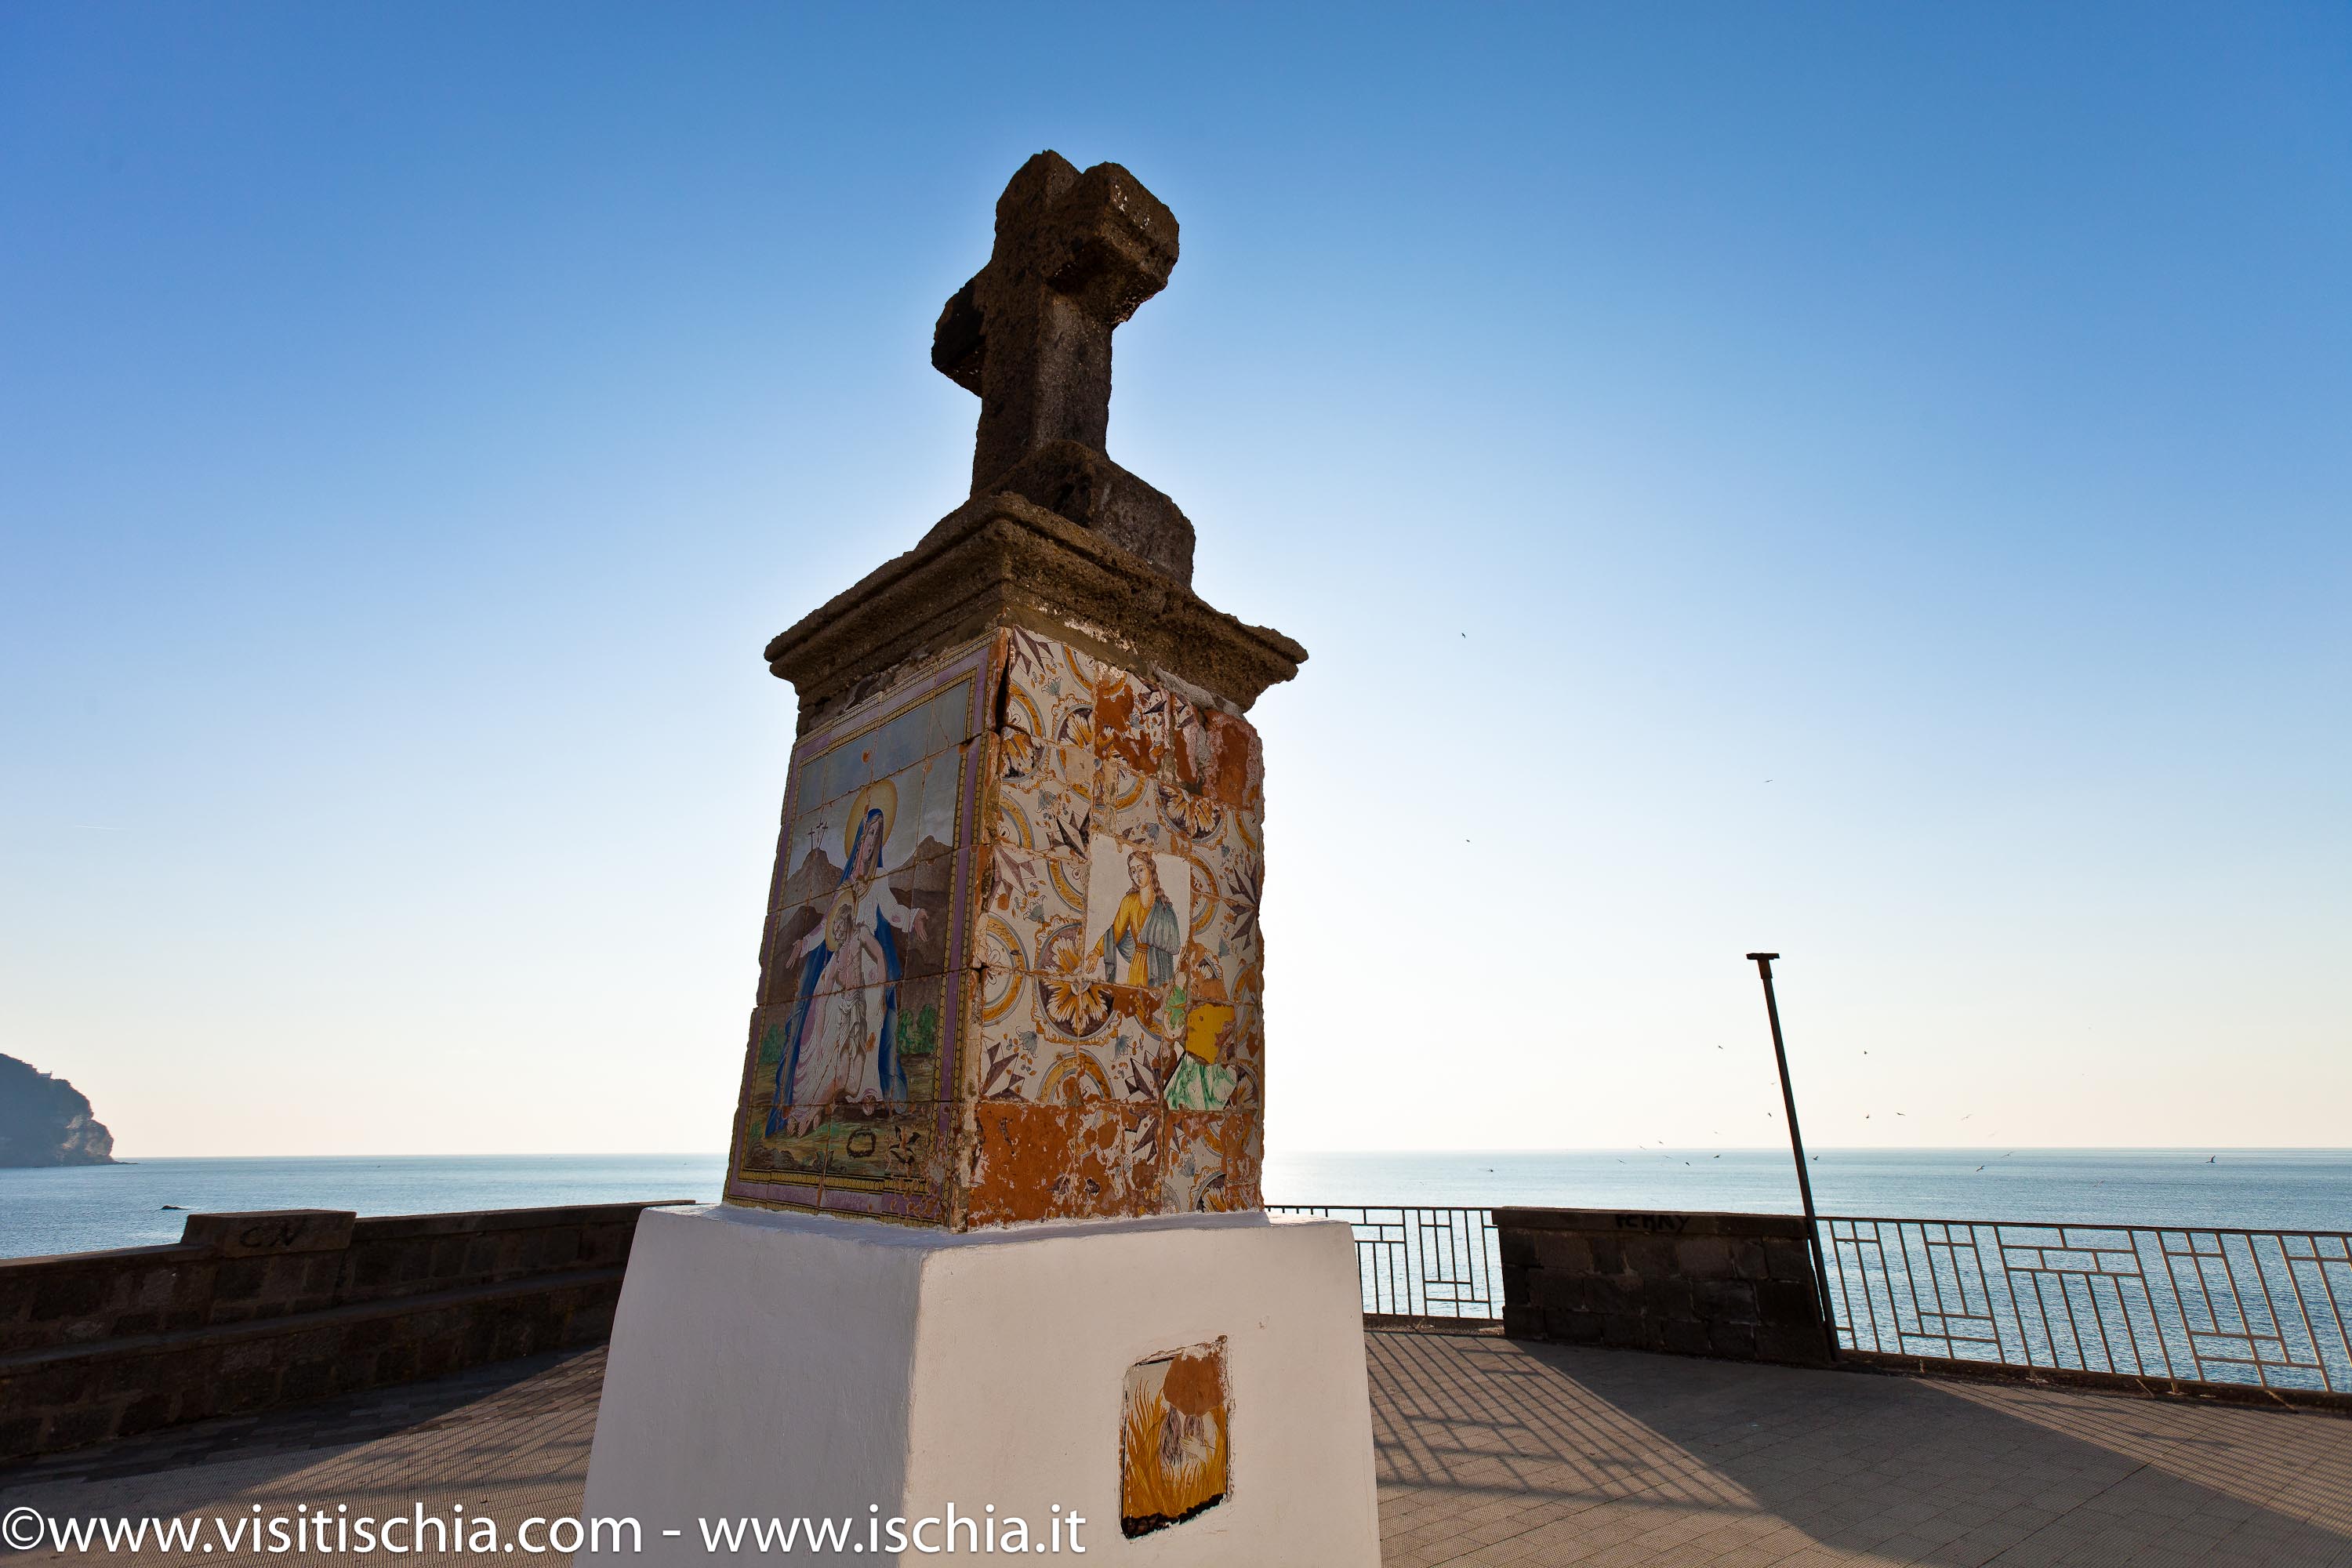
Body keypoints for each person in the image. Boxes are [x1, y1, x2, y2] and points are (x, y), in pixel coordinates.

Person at [1099, 851, 1181, 989]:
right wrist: (1096, 952)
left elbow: (1174, 944)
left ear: (1150, 869)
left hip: (1159, 967)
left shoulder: (1164, 908)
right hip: (1138, 964)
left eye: (1141, 869)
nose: (1137, 875)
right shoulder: (1129, 901)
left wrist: (1148, 936)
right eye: (1133, 871)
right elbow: (1115, 932)